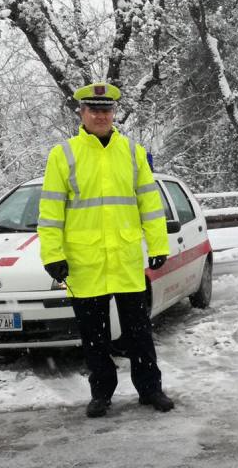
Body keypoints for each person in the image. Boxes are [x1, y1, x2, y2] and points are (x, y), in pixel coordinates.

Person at [38, 82, 174, 418]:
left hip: (126, 261)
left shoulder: (132, 152)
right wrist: (52, 254)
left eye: (106, 110)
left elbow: (150, 204)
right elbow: (50, 211)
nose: (101, 115)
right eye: (94, 109)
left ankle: (150, 389)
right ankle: (101, 393)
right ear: (81, 113)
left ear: (114, 113)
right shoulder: (64, 154)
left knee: (139, 334)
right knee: (94, 338)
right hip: (85, 264)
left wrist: (158, 244)